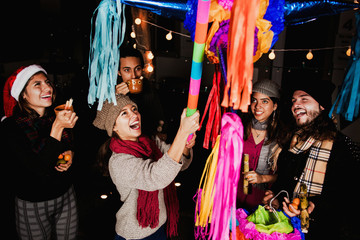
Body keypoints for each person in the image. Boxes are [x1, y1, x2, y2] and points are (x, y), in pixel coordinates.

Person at [263, 75, 360, 239]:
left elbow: (350, 195)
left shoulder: (342, 145)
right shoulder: (291, 142)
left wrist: (315, 205)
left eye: (304, 99)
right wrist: (276, 197)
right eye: (293, 101)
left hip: (324, 232)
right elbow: (284, 182)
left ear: (322, 106)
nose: (295, 105)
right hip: (286, 230)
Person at [93, 94, 199, 240]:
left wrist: (185, 146)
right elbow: (156, 176)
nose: (134, 115)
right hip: (134, 234)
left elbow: (179, 164)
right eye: (124, 113)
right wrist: (182, 133)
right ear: (114, 126)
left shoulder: (151, 142)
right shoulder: (118, 162)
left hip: (159, 224)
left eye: (134, 109)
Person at [1, 64, 79, 239]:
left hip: (66, 196)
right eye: (37, 84)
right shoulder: (10, 127)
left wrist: (71, 153)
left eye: (47, 82)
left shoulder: (57, 114)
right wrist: (57, 127)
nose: (47, 88)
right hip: (32, 203)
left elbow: (70, 144)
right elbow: (37, 168)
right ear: (23, 94)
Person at [236, 79, 284, 210]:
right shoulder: (239, 127)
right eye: (254, 100)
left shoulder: (282, 135)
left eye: (265, 101)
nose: (257, 106)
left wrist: (262, 178)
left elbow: (285, 176)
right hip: (234, 193)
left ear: (275, 105)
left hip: (263, 199)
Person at [115, 46, 164, 138]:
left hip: (149, 138)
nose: (133, 76)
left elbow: (159, 115)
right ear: (119, 72)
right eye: (127, 70)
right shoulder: (113, 93)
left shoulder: (148, 87)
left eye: (137, 69)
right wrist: (117, 97)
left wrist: (161, 130)